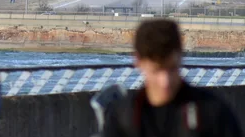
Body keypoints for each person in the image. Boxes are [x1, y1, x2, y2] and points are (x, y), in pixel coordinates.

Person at [102, 19, 242, 137]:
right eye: (156, 71)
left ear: (181, 57)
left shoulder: (212, 113)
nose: (165, 81)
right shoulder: (122, 118)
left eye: (172, 68)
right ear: (138, 61)